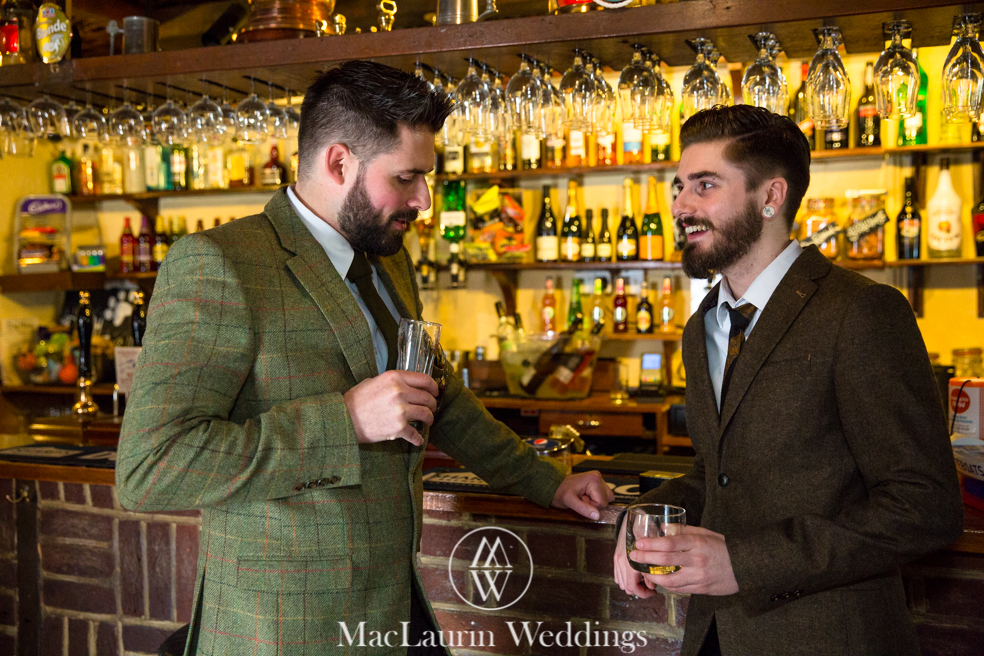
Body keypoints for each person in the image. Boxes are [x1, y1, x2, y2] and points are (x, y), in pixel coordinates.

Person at [116, 60, 614, 656]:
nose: (425, 199)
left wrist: (548, 484)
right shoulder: (220, 264)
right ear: (338, 162)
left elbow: (439, 397)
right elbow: (150, 468)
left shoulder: (388, 257)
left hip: (394, 610)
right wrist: (343, 422)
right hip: (283, 630)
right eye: (407, 178)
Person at [612, 105, 963, 656]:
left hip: (829, 637)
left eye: (705, 185)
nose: (680, 206)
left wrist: (745, 563)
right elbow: (717, 474)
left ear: (770, 197)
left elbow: (926, 505)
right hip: (713, 633)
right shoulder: (702, 325)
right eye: (679, 187)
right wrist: (645, 512)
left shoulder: (861, 311)